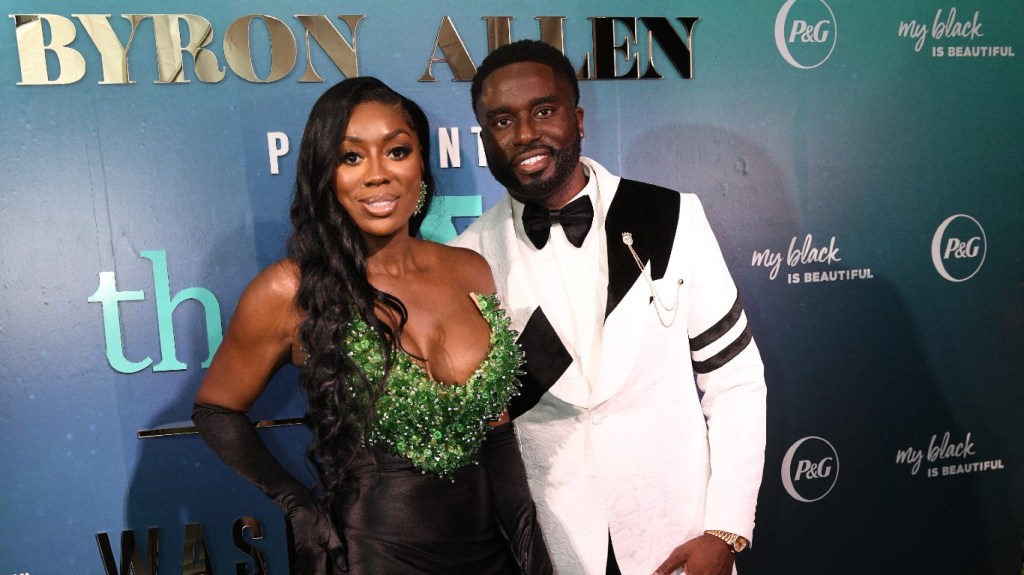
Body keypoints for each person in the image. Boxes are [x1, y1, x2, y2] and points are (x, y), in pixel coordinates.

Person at [192, 77, 551, 574]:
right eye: (351, 157)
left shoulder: (470, 269)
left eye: (397, 151)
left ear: (420, 163)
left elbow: (499, 436)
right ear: (325, 174)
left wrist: (532, 554)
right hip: (372, 556)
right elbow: (216, 411)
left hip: (489, 555)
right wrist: (297, 504)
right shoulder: (289, 290)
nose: (378, 175)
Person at [451, 40, 768, 575]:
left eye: (543, 111)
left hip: (680, 537)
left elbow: (734, 380)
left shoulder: (671, 216)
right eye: (502, 121)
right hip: (551, 550)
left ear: (577, 121)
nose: (525, 134)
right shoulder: (466, 260)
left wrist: (724, 530)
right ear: (484, 140)